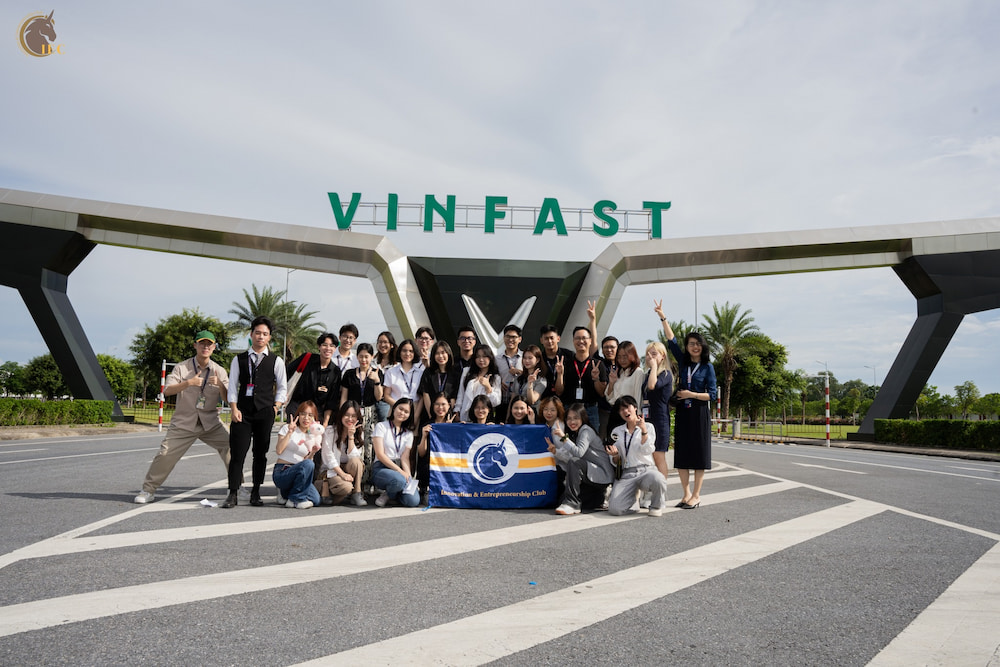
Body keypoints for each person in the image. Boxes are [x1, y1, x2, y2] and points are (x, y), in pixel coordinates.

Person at [134, 330, 231, 504]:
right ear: (195, 345)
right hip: (184, 422)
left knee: (232, 447)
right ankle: (148, 490)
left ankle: (237, 488)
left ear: (214, 347)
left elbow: (227, 398)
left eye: (209, 344)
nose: (205, 347)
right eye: (202, 343)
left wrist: (221, 386)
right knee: (165, 454)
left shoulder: (219, 371)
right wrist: (188, 383)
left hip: (210, 422)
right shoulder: (182, 367)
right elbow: (167, 390)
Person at [658, 300, 717, 509]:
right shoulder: (683, 362)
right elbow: (671, 340)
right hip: (683, 412)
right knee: (682, 454)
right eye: (691, 343)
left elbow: (713, 395)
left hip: (699, 413)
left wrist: (691, 393)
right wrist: (663, 317)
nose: (694, 346)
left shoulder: (708, 367)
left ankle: (697, 495)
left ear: (702, 346)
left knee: (699, 455)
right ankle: (685, 494)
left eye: (697, 343)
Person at [224, 316, 287, 508]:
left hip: (265, 413)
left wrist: (275, 407)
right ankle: (233, 493)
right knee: (237, 454)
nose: (261, 337)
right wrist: (233, 408)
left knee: (260, 454)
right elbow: (233, 386)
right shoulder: (239, 359)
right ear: (251, 335)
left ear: (269, 338)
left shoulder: (276, 361)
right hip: (242, 412)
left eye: (265, 334)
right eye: (257, 333)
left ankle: (256, 492)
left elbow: (282, 387)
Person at [548, 403, 615, 515]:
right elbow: (570, 456)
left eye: (576, 418)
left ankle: (572, 503)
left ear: (583, 418)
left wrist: (563, 437)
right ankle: (601, 498)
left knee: (574, 462)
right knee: (560, 501)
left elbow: (578, 453)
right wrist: (556, 452)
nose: (572, 422)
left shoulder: (586, 430)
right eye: (569, 419)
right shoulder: (575, 433)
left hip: (602, 474)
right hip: (590, 475)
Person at [606, 396, 666, 517]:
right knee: (614, 510)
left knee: (658, 478)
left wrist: (643, 430)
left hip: (646, 470)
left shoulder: (648, 427)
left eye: (627, 407)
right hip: (627, 473)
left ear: (635, 408)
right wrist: (615, 455)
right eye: (621, 410)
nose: (625, 412)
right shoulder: (617, 431)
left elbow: (647, 450)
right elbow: (616, 461)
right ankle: (633, 504)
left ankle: (656, 505)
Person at [339, 342, 384, 493]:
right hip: (354, 413)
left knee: (370, 448)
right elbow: (344, 398)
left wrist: (376, 380)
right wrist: (342, 415)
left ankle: (370, 482)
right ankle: (357, 482)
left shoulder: (377, 372)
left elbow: (379, 397)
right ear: (356, 356)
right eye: (361, 356)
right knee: (356, 445)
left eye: (367, 356)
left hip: (371, 414)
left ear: (372, 357)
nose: (364, 359)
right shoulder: (349, 374)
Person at [273, 401, 323, 509]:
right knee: (308, 464)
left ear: (314, 419)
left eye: (310, 415)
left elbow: (306, 462)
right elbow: (279, 450)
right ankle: (295, 499)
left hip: (299, 475)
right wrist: (290, 432)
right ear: (298, 415)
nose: (306, 418)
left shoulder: (311, 436)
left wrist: (313, 452)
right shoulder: (287, 428)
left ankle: (286, 494)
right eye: (303, 414)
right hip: (283, 471)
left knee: (316, 499)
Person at [285, 332, 342, 426]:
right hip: (296, 408)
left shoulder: (335, 372)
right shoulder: (307, 358)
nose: (328, 348)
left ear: (335, 348)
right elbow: (285, 373)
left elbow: (332, 400)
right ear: (319, 346)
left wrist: (325, 422)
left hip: (317, 414)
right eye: (324, 345)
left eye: (332, 346)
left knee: (312, 440)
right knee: (293, 437)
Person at [317, 400, 368, 506]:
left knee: (357, 462)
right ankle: (324, 488)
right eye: (347, 415)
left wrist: (351, 437)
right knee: (346, 487)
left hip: (348, 468)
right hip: (332, 470)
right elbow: (328, 457)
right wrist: (342, 474)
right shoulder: (330, 431)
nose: (350, 419)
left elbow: (355, 456)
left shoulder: (359, 432)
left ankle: (356, 493)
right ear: (341, 415)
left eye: (353, 416)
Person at [372, 398, 420, 507]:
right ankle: (389, 494)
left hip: (400, 469)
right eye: (400, 409)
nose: (402, 413)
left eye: (406, 412)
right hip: (382, 467)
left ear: (409, 415)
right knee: (398, 480)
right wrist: (400, 472)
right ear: (394, 408)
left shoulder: (408, 434)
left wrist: (409, 477)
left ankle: (393, 494)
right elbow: (380, 454)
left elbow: (405, 458)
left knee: (413, 501)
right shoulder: (381, 426)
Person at [560, 326, 608, 428]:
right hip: (570, 409)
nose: (581, 341)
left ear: (590, 341)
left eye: (584, 338)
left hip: (590, 409)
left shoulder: (598, 364)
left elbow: (602, 393)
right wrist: (560, 374)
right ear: (573, 341)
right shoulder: (565, 364)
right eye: (577, 338)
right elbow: (559, 391)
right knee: (569, 441)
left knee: (593, 441)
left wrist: (596, 379)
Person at [645, 338, 674, 486]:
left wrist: (654, 367)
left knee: (658, 456)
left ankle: (661, 490)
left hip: (660, 420)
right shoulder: (648, 373)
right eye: (648, 354)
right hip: (647, 419)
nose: (650, 357)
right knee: (648, 456)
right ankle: (650, 489)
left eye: (654, 354)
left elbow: (652, 386)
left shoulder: (666, 374)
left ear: (662, 356)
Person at [417, 392, 456, 502]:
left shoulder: (454, 425)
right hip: (429, 466)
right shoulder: (427, 425)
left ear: (449, 405)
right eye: (437, 404)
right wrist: (424, 436)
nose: (440, 408)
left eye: (443, 404)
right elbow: (421, 453)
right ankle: (426, 489)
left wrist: (451, 430)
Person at [604, 340, 644, 434]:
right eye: (619, 357)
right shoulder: (619, 373)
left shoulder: (638, 372)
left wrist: (636, 417)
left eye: (625, 357)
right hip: (615, 413)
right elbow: (609, 397)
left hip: (629, 414)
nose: (622, 360)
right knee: (612, 444)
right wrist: (611, 382)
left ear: (632, 355)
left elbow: (638, 397)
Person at [455, 344, 502, 422]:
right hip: (466, 416)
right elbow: (461, 393)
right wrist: (457, 410)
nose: (481, 360)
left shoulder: (495, 377)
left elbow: (496, 401)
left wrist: (488, 387)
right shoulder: (467, 372)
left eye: (484, 356)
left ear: (490, 358)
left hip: (483, 419)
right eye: (478, 357)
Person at [417, 340, 460, 418]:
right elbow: (425, 394)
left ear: (448, 354)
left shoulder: (455, 373)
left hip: (449, 416)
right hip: (430, 414)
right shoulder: (429, 372)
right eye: (437, 353)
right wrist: (431, 415)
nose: (440, 356)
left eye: (443, 352)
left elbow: (454, 396)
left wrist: (451, 415)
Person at [382, 338, 424, 419]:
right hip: (396, 410)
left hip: (415, 410)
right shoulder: (391, 372)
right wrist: (400, 408)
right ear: (400, 352)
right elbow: (386, 395)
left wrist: (416, 415)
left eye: (411, 351)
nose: (407, 354)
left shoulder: (420, 373)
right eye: (404, 351)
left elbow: (422, 397)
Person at [513, 344, 549, 413]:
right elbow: (513, 397)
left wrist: (530, 383)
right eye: (525, 358)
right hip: (517, 412)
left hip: (532, 412)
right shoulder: (518, 377)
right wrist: (508, 417)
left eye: (530, 358)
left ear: (537, 360)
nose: (526, 361)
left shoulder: (541, 380)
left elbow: (532, 400)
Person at [538, 324, 571, 397]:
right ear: (541, 340)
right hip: (545, 398)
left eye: (552, 338)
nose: (549, 341)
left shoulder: (569, 356)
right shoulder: (538, 358)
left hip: (566, 399)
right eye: (546, 338)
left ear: (558, 338)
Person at [597, 335, 619, 439]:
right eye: (605, 347)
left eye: (612, 347)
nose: (609, 350)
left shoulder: (624, 365)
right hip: (604, 411)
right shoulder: (600, 364)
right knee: (602, 440)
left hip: (620, 411)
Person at [373, 330, 397, 423]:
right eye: (380, 342)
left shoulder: (397, 365)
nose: (382, 345)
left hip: (389, 403)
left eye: (385, 342)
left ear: (392, 345)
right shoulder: (373, 362)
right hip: (373, 401)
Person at [497, 324, 523, 403]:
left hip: (521, 399)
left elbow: (531, 375)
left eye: (514, 337)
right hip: (502, 398)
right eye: (507, 336)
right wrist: (498, 383)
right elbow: (492, 376)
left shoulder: (525, 357)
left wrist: (520, 372)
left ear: (520, 339)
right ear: (504, 338)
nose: (510, 339)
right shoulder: (497, 359)